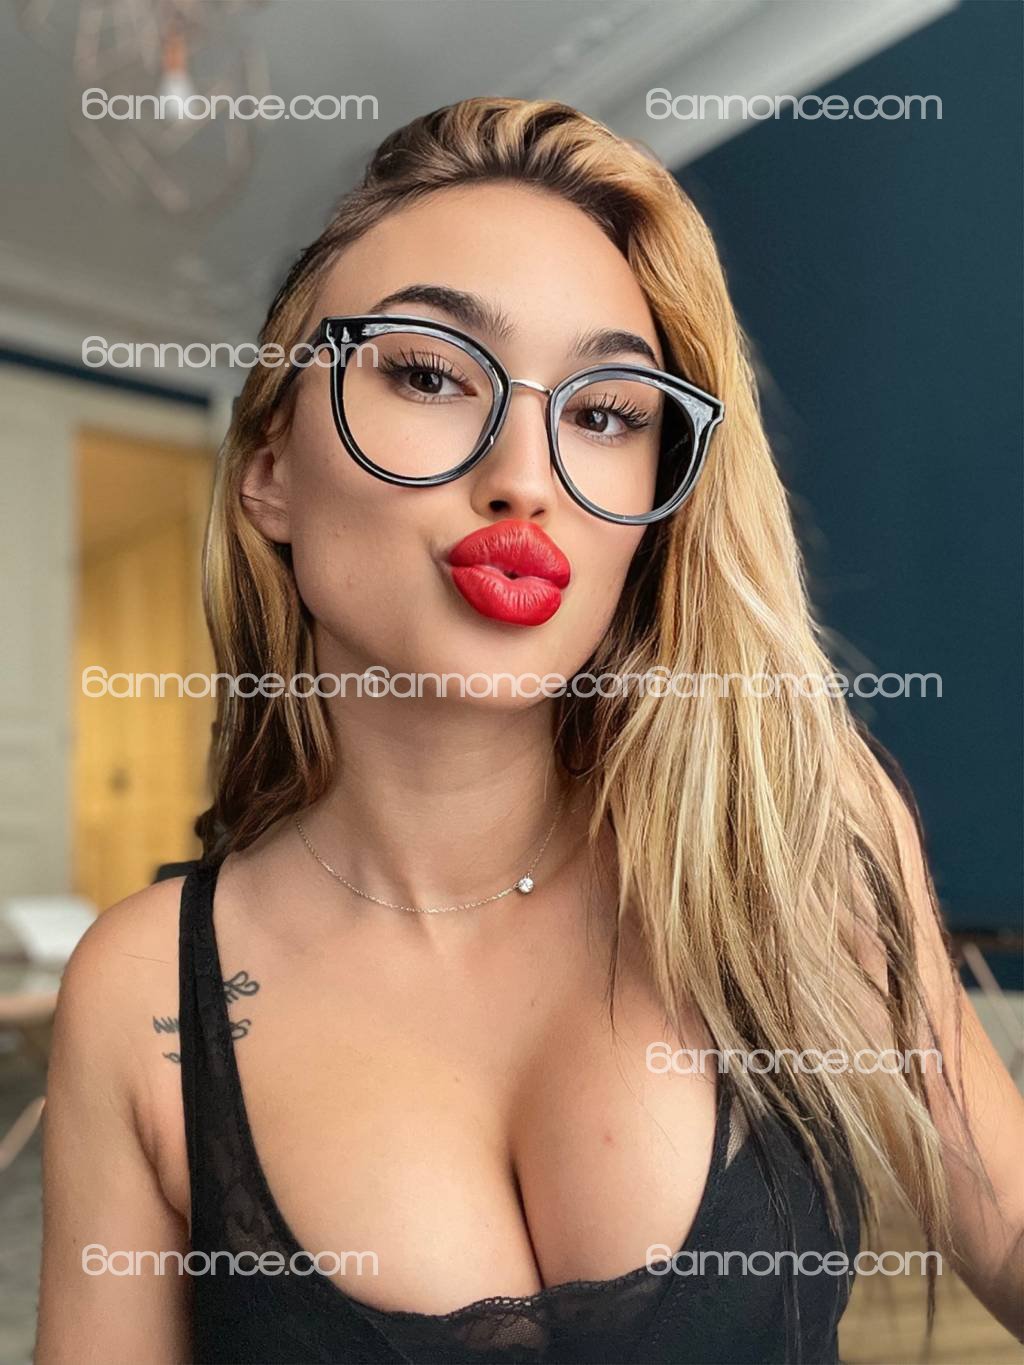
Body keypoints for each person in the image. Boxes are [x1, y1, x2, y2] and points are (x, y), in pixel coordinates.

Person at [36, 98, 1024, 1365]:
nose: (525, 473)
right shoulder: (142, 995)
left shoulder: (791, 833)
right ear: (269, 469)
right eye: (430, 374)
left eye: (604, 413)